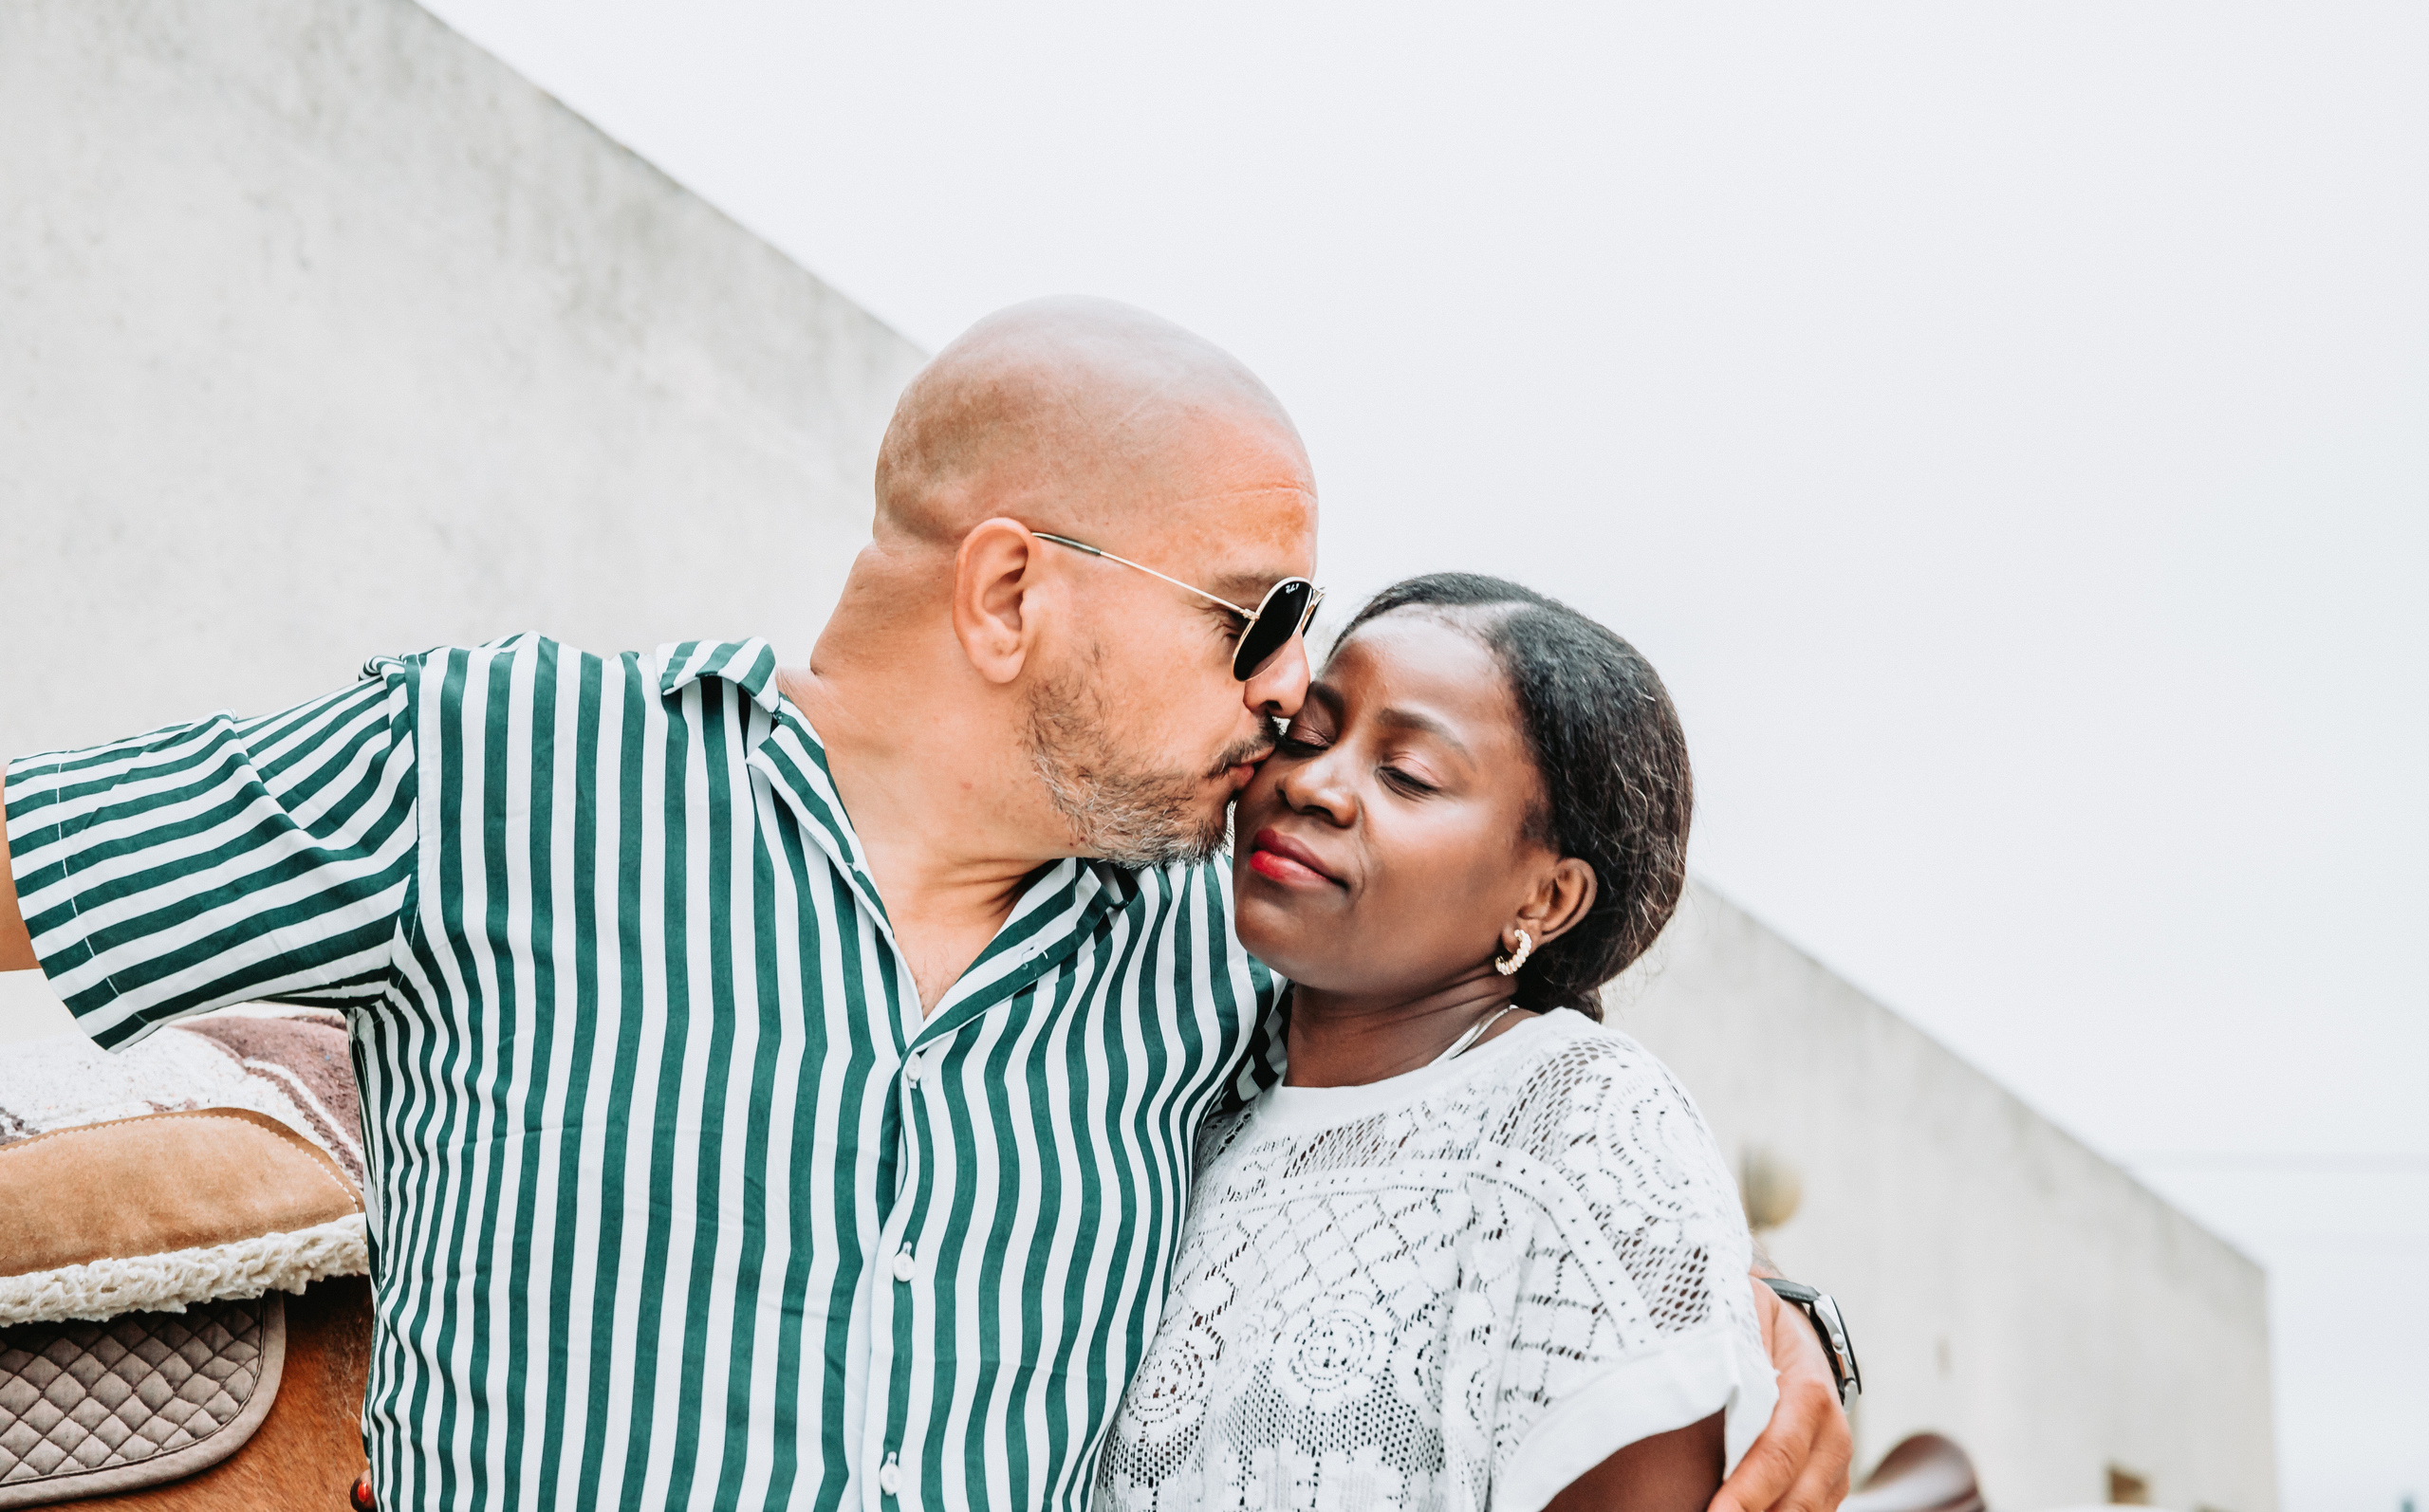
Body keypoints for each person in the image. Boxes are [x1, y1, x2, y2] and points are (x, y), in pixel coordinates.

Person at [0, 298, 1850, 1512]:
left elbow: (1498, 1129)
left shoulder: (1206, 960)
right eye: (1255, 615)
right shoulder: (496, 772)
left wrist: (1765, 1326)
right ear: (1008, 593)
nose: (1291, 692)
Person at [1099, 574, 1765, 1512]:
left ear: (1545, 898)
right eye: (1309, 733)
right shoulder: (1190, 1083)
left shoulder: (1580, 1122)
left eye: (1407, 775)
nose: (1312, 784)